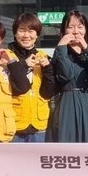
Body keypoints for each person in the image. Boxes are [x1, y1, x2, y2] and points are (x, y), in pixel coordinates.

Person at [49, 9, 88, 143]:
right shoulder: (61, 51)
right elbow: (66, 75)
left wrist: (86, 48)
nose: (76, 31)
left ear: (86, 29)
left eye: (80, 27)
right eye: (70, 27)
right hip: (69, 103)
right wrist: (61, 47)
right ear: (64, 30)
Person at [8, 13, 56, 142]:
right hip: (13, 123)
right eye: (22, 30)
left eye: (31, 31)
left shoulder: (43, 56)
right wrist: (23, 65)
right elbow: (13, 87)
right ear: (15, 33)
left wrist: (47, 69)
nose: (26, 35)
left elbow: (48, 93)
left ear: (37, 35)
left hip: (38, 124)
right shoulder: (6, 56)